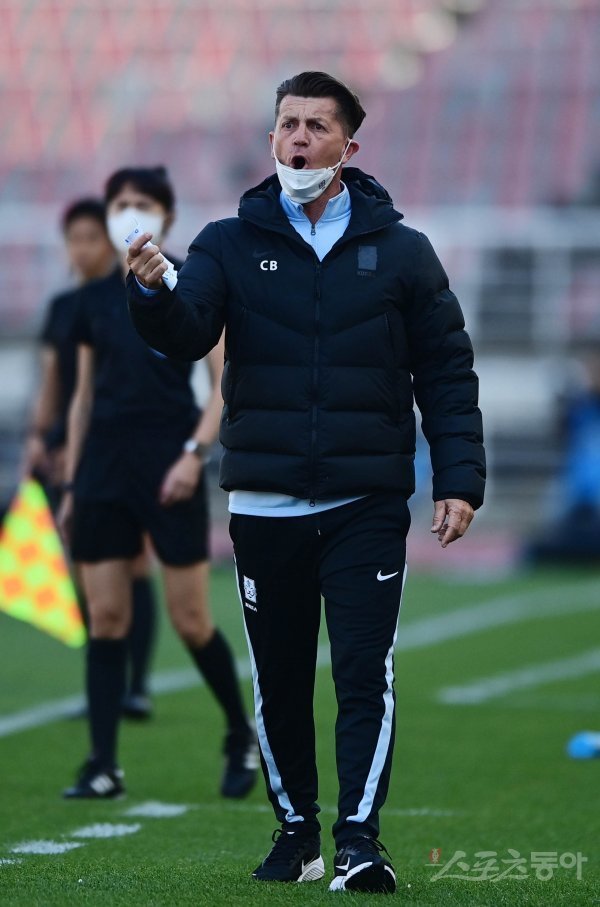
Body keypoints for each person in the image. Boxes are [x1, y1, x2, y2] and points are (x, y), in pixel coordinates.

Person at [126, 73, 485, 894]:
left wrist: (459, 476)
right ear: (271, 139)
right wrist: (149, 289)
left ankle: (359, 840)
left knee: (363, 673)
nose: (298, 138)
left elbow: (446, 369)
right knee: (281, 680)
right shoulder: (225, 242)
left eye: (316, 126)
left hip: (367, 500)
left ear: (348, 147)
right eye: (287, 124)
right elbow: (187, 332)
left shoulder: (403, 250)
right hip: (265, 501)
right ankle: (297, 832)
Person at [58, 166, 257, 800]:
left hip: (169, 462)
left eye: (142, 202)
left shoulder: (192, 283)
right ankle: (102, 764)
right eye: (120, 202)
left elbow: (224, 384)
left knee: (191, 619)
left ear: (166, 215)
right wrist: (73, 484)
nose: (129, 211)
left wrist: (193, 455)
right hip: (103, 469)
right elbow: (82, 398)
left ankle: (239, 733)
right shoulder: (92, 298)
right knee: (105, 618)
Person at [21, 198, 157, 718]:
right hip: (69, 449)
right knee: (86, 572)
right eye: (73, 239)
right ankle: (105, 683)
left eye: (90, 238)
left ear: (109, 242)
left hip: (120, 444)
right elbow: (54, 382)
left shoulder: (128, 299)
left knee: (134, 566)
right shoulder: (63, 308)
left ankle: (137, 686)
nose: (81, 249)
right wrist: (40, 437)